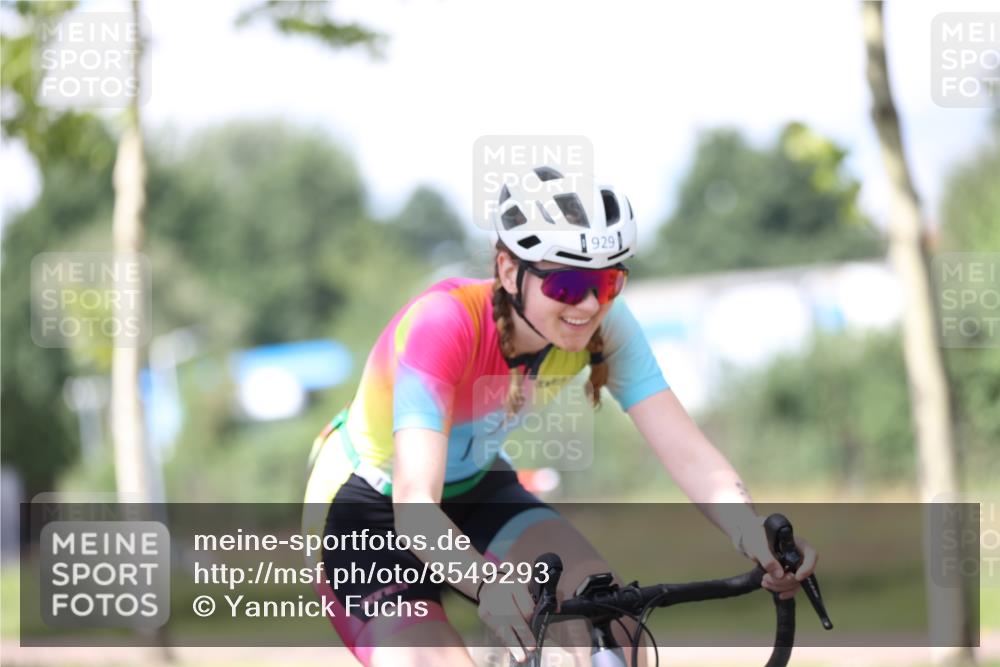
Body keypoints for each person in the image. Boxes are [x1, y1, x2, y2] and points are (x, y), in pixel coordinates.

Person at [301, 166, 818, 667]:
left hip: (477, 489)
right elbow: (414, 507)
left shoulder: (605, 327)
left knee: (614, 621)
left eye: (608, 282)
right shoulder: (445, 323)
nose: (589, 304)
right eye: (567, 284)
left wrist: (750, 531)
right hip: (365, 510)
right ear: (508, 270)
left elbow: (688, 453)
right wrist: (486, 583)